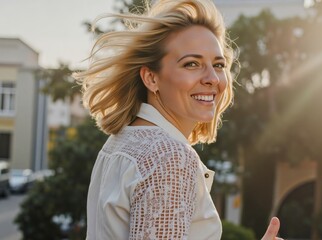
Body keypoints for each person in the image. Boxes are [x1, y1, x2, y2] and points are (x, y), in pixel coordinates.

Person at [75, 0, 283, 239]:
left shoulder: (121, 142)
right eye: (191, 64)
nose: (212, 78)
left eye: (218, 64)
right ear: (151, 78)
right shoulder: (169, 156)